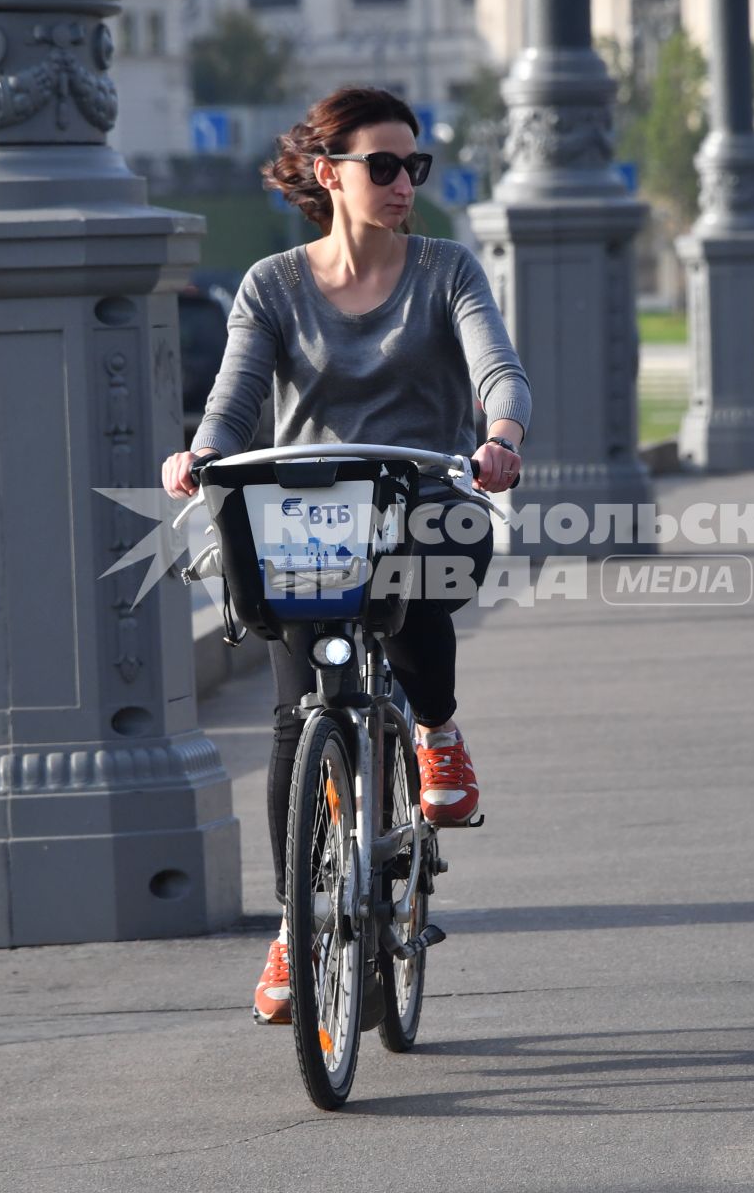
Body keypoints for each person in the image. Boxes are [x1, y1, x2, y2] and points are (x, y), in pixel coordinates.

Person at [160, 87, 531, 1026]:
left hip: (420, 490)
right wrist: (201, 455)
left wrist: (500, 432)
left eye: (416, 166)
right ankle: (295, 926)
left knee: (418, 580)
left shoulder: (446, 270)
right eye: (384, 165)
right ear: (330, 175)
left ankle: (436, 731)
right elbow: (236, 396)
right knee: (296, 717)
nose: (405, 182)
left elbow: (497, 365)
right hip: (307, 512)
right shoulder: (273, 284)